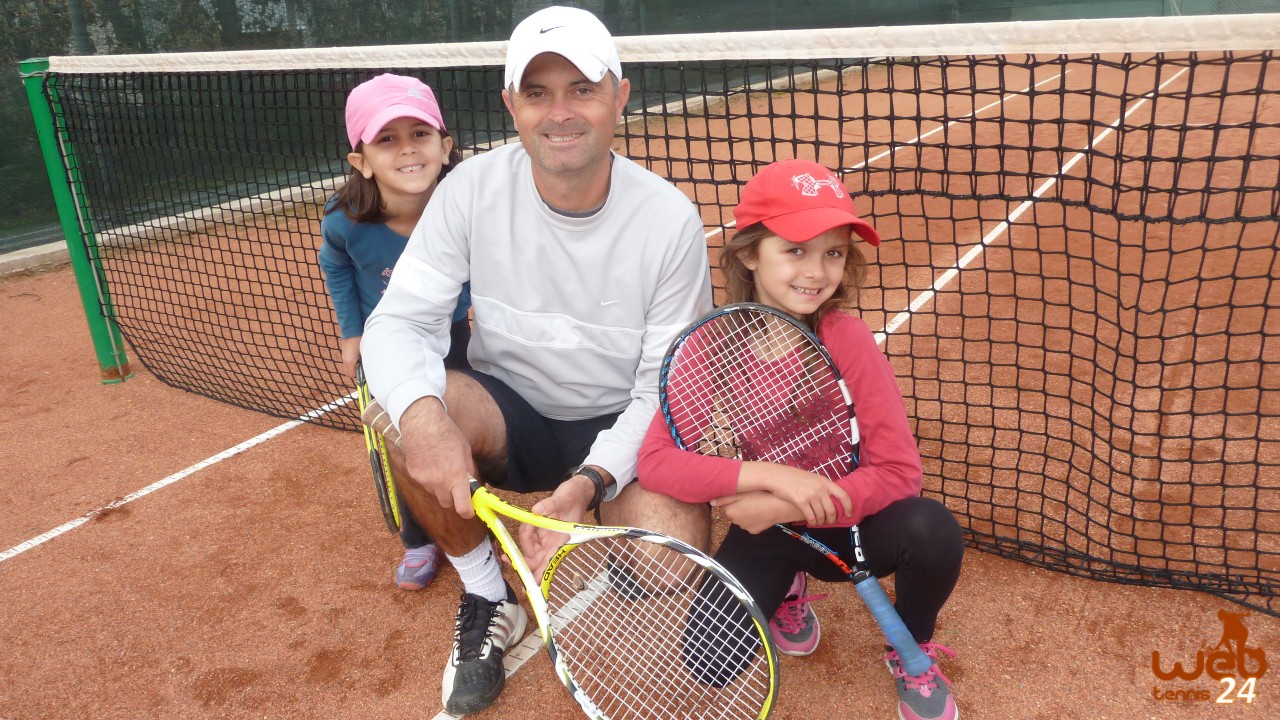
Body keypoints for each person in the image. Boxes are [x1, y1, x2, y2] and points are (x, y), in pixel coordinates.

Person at [360, 6, 714, 716]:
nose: (560, 113)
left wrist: (589, 482)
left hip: (622, 424)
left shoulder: (670, 220)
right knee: (394, 410)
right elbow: (397, 322)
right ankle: (490, 594)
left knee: (669, 561)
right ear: (509, 106)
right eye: (538, 92)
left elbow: (662, 387)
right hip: (511, 412)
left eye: (582, 89)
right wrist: (427, 421)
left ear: (620, 96)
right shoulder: (469, 191)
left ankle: (612, 536)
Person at [637, 158, 965, 720]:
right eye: (795, 250)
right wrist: (768, 478)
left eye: (833, 252)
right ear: (748, 253)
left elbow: (898, 472)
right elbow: (656, 462)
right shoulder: (713, 344)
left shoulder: (846, 337)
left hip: (847, 523)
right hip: (765, 529)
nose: (817, 271)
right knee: (708, 660)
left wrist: (786, 501)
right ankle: (787, 590)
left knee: (931, 530)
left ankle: (911, 647)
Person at [318, 73, 471, 592]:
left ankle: (469, 517)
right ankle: (420, 537)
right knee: (404, 442)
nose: (407, 150)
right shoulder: (344, 222)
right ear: (361, 160)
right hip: (386, 351)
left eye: (420, 134)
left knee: (461, 426)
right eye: (387, 139)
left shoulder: (464, 203)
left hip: (455, 335)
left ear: (445, 146)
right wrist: (351, 333)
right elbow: (336, 266)